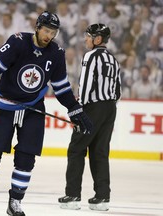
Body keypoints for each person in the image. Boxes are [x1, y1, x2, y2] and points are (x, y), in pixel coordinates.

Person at [0, 11, 93, 216]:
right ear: (37, 27)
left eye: (53, 32)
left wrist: (74, 109)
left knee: (26, 158)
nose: (49, 36)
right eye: (46, 30)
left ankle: (15, 203)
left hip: (33, 108)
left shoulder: (56, 53)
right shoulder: (18, 42)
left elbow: (61, 87)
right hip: (5, 106)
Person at [58, 23, 122, 211]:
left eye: (88, 36)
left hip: (92, 108)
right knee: (100, 151)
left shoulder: (90, 56)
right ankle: (102, 197)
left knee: (76, 148)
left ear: (98, 39)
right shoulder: (113, 60)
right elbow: (118, 90)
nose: (85, 39)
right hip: (110, 109)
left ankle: (72, 196)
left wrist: (78, 110)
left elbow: (85, 86)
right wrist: (105, 109)